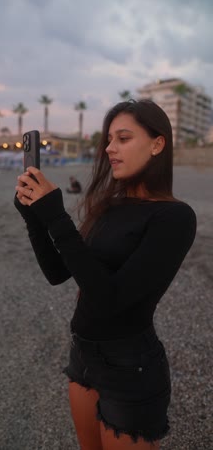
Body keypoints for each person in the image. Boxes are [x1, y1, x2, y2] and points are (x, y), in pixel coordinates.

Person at [14, 99, 196, 449]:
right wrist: (34, 219)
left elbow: (111, 299)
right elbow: (58, 272)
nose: (110, 148)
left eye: (123, 138)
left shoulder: (174, 218)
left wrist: (57, 218)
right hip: (82, 356)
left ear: (158, 144)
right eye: (109, 139)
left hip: (130, 367)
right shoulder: (109, 206)